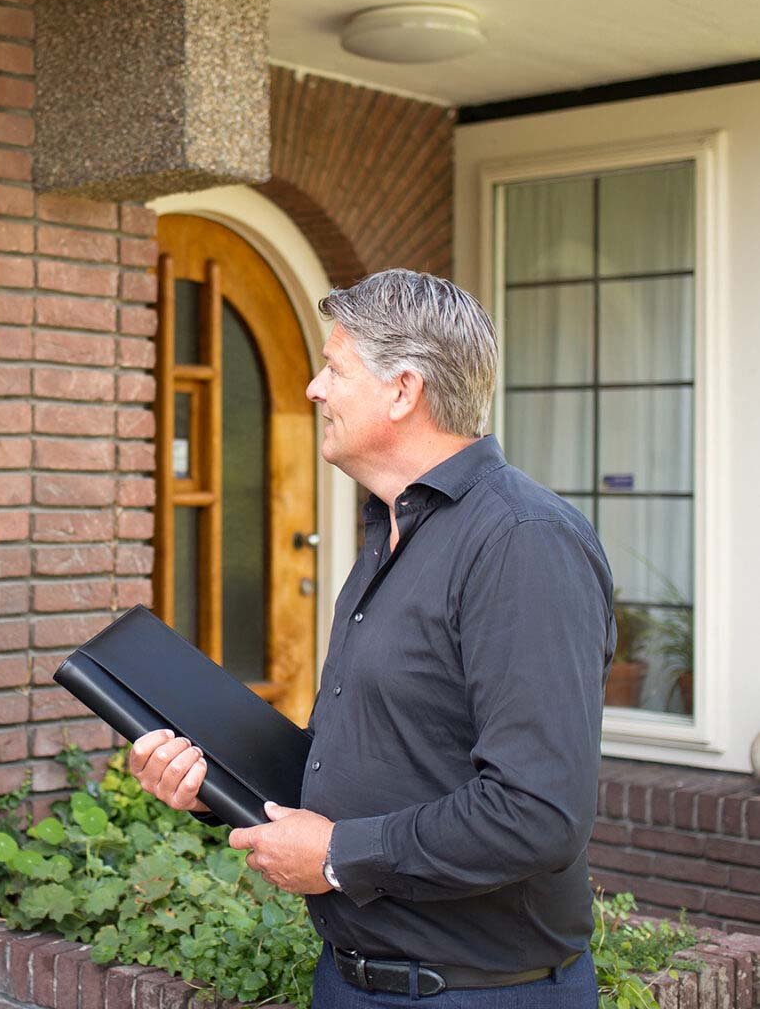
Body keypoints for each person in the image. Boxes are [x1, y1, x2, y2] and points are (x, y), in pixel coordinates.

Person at [130, 269, 615, 1007]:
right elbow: (373, 761)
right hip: (352, 981)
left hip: (480, 994)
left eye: (334, 368)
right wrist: (210, 786)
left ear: (403, 391)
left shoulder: (522, 541)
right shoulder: (390, 532)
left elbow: (538, 812)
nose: (314, 390)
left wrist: (335, 858)